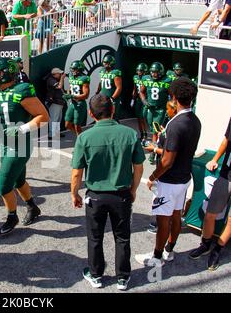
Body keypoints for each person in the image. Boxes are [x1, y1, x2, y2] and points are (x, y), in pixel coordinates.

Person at [71, 93, 144, 291]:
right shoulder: (129, 134)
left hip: (95, 195)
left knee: (95, 237)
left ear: (90, 113)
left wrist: (74, 193)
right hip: (121, 195)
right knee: (122, 237)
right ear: (113, 110)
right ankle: (123, 277)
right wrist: (134, 189)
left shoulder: (84, 137)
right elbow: (139, 166)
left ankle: (96, 275)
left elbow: (77, 172)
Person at [135, 77, 201, 267]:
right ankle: (168, 251)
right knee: (175, 215)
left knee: (163, 219)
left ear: (173, 97)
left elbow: (167, 161)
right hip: (184, 179)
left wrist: (153, 177)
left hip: (169, 181)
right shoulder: (195, 120)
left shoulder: (175, 124)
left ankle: (156, 258)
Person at [0, 58, 50, 236]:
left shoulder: (21, 90)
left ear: (9, 73)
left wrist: (21, 128)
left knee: (3, 186)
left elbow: (43, 116)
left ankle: (12, 217)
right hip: (4, 142)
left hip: (20, 143)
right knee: (19, 180)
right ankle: (33, 207)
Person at [188, 116, 231, 270]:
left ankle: (218, 249)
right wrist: (215, 159)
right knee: (210, 214)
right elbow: (226, 139)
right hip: (227, 174)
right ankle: (205, 244)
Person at [143, 99, 177, 235]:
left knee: (160, 197)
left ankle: (158, 224)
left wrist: (154, 149)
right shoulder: (170, 124)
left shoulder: (175, 127)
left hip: (165, 169)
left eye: (168, 109)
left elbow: (170, 153)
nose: (166, 112)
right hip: (166, 167)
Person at [140, 62, 172, 164]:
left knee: (155, 130)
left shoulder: (167, 80)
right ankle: (157, 145)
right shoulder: (146, 78)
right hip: (151, 109)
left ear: (161, 72)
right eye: (152, 72)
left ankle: (154, 151)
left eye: (156, 72)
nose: (154, 74)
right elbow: (141, 91)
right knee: (152, 128)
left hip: (160, 109)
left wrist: (170, 107)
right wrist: (144, 101)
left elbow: (172, 95)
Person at [64, 60, 90, 136]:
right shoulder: (71, 77)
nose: (73, 70)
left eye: (75, 69)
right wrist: (68, 94)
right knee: (67, 125)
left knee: (77, 126)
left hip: (80, 104)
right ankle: (82, 137)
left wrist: (72, 96)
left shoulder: (84, 78)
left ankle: (81, 140)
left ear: (80, 69)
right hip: (73, 103)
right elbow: (71, 88)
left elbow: (86, 95)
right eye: (72, 69)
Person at [96, 55, 122, 120]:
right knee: (103, 117)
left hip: (112, 98)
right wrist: (97, 91)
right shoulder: (102, 71)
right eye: (104, 62)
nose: (105, 64)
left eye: (106, 62)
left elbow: (119, 88)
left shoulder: (115, 72)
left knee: (113, 118)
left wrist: (112, 98)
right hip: (103, 98)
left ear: (111, 63)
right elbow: (101, 82)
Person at [45, 67, 66, 139]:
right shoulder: (51, 79)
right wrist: (62, 78)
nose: (61, 74)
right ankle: (51, 134)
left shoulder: (56, 79)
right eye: (59, 74)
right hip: (53, 102)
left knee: (58, 118)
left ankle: (56, 133)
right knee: (54, 118)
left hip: (59, 102)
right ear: (55, 74)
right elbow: (59, 87)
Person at [132, 63, 149, 143]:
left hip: (145, 100)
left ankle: (145, 134)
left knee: (143, 117)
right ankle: (142, 133)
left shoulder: (148, 78)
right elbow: (135, 88)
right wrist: (133, 99)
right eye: (138, 70)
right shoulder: (135, 77)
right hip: (138, 100)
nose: (139, 72)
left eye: (141, 71)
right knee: (139, 118)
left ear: (145, 71)